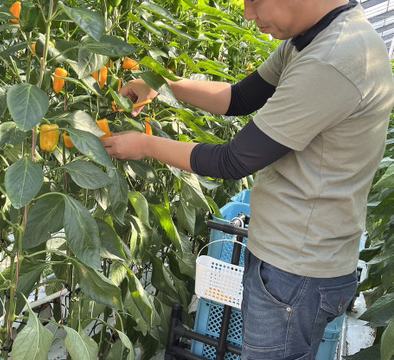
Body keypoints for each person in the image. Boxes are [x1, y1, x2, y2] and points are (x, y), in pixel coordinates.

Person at [102, 0, 394, 358]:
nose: (247, 14)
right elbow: (239, 97)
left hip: (297, 270)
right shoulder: (312, 38)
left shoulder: (333, 58)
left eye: (255, 1)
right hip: (295, 257)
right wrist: (162, 85)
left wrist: (146, 144)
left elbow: (234, 160)